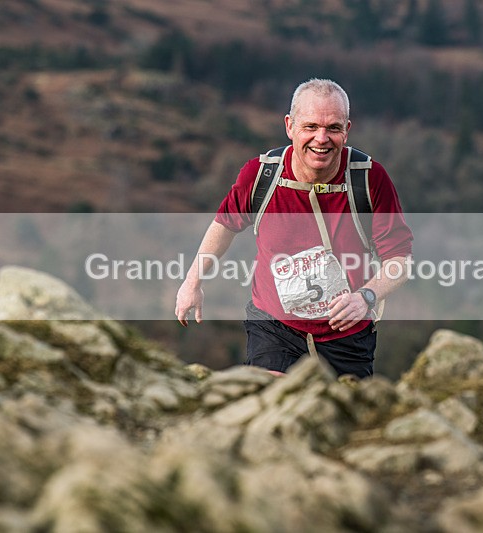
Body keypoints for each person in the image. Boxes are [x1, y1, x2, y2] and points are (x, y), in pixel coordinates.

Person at [175, 78, 412, 378]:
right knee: (272, 409)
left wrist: (365, 297)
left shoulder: (369, 180)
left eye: (333, 128)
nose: (321, 139)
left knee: (338, 419)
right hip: (274, 328)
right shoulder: (260, 176)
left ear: (347, 130)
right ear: (290, 126)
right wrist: (192, 282)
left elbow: (400, 261)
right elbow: (225, 224)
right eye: (310, 127)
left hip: (347, 334)